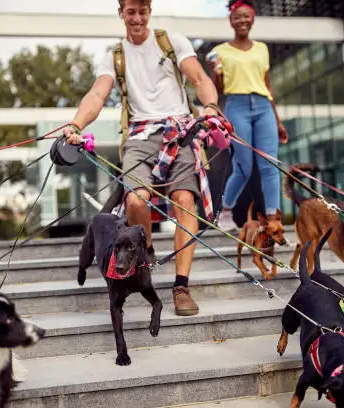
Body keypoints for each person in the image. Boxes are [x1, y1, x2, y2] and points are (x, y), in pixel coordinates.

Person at [63, 0, 220, 316]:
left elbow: (200, 79)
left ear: (149, 11)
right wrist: (76, 124)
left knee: (184, 200)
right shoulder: (115, 56)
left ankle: (181, 286)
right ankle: (145, 255)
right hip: (138, 136)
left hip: (179, 131)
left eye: (143, 11)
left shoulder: (171, 41)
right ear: (121, 13)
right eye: (131, 11)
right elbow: (97, 95)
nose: (137, 18)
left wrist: (212, 107)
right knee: (135, 201)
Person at [207, 0, 288, 231]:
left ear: (252, 18)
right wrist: (216, 73)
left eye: (246, 16)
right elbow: (220, 89)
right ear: (231, 20)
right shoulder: (219, 52)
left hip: (263, 107)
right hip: (237, 105)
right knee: (243, 165)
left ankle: (274, 219)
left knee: (270, 165)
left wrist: (278, 121)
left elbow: (267, 87)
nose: (242, 21)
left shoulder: (262, 48)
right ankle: (225, 211)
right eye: (237, 17)